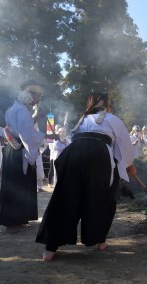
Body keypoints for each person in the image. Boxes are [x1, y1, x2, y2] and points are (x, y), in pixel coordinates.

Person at [36, 92, 137, 261]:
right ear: (107, 105)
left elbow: (76, 138)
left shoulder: (82, 119)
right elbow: (123, 144)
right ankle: (100, 241)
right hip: (97, 155)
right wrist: (129, 165)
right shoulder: (112, 119)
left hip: (72, 154)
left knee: (65, 196)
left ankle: (50, 248)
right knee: (102, 197)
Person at [0, 79, 58, 231]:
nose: (39, 99)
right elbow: (27, 135)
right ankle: (15, 220)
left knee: (14, 182)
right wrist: (45, 136)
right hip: (20, 151)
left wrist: (36, 118)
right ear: (30, 95)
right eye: (38, 95)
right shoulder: (22, 110)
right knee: (19, 184)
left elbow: (20, 127)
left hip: (13, 150)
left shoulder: (15, 108)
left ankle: (14, 220)